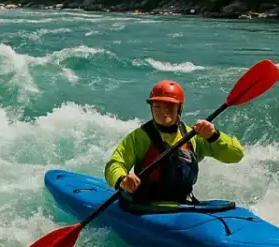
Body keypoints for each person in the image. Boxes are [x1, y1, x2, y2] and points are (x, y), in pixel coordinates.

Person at [105, 79, 245, 207]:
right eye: (157, 106)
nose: (163, 112)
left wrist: (214, 136)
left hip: (181, 205)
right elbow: (115, 164)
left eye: (169, 106)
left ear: (179, 108)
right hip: (144, 205)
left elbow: (236, 155)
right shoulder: (139, 137)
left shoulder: (193, 135)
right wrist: (123, 179)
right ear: (151, 108)